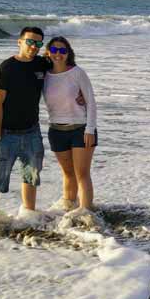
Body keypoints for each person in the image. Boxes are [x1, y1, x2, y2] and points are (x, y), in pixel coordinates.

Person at [0, 26, 49, 228]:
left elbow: (63, 73)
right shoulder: (5, 68)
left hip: (32, 132)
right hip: (6, 134)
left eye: (38, 43)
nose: (34, 46)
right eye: (30, 42)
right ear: (20, 41)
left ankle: (29, 218)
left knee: (32, 175)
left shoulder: (42, 64)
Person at [43, 36, 98, 213]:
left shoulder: (77, 72)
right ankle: (69, 210)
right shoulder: (43, 75)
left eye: (63, 50)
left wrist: (90, 129)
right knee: (68, 174)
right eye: (54, 50)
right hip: (56, 130)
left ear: (68, 53)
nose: (58, 54)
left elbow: (91, 101)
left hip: (80, 129)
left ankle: (86, 214)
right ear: (48, 52)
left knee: (82, 174)